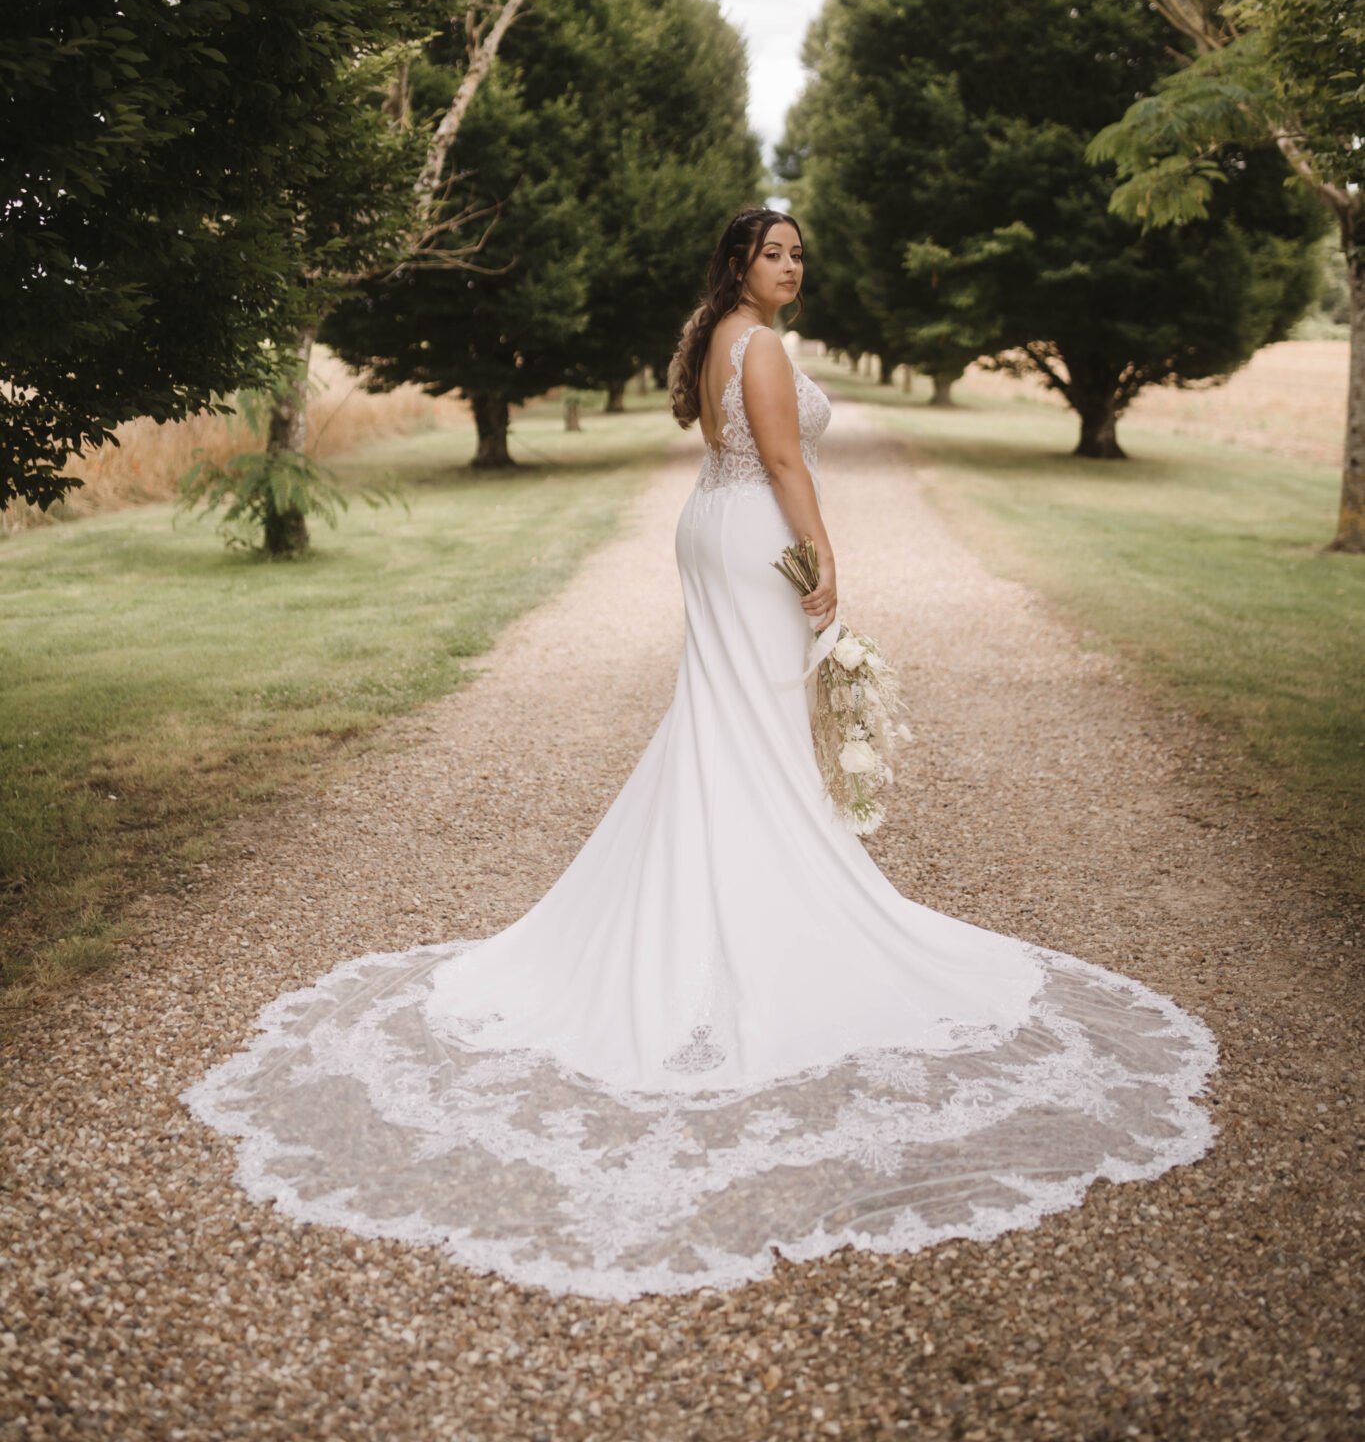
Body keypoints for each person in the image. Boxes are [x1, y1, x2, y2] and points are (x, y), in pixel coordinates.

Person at [180, 207, 1219, 1301]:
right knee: (752, 726)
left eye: (800, 252)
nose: (792, 266)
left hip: (712, 531)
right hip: (753, 537)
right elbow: (779, 455)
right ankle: (748, 911)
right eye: (775, 251)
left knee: (727, 726)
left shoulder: (718, 330)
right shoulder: (759, 343)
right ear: (739, 262)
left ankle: (719, 887)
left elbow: (740, 445)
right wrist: (826, 563)